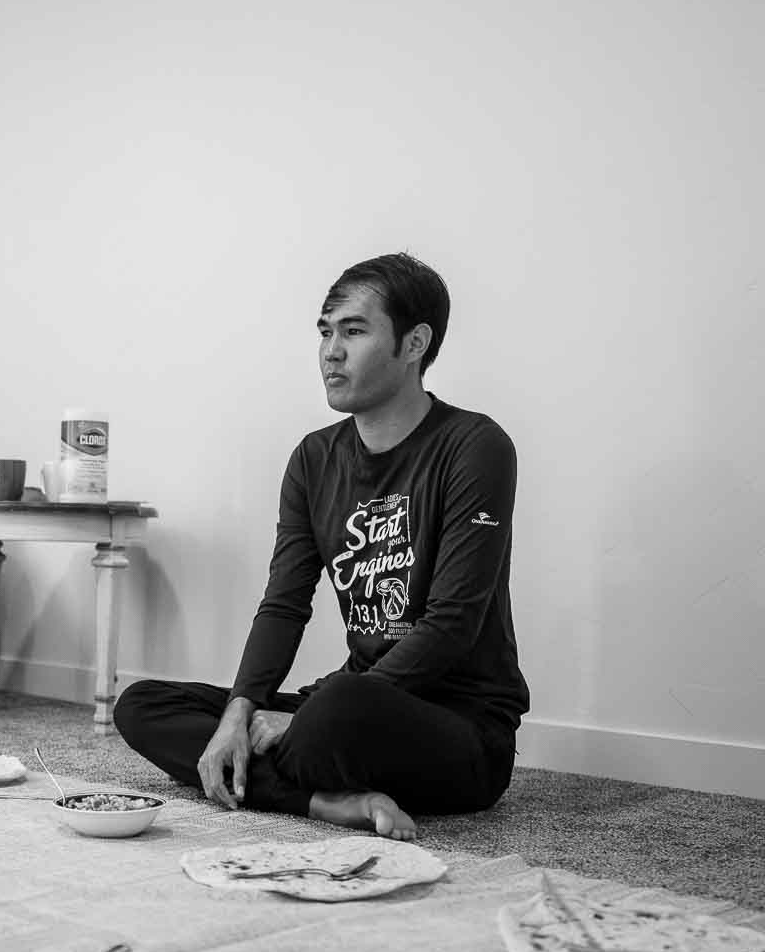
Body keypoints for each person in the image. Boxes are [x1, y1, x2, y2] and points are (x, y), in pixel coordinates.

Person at [113, 252, 527, 840]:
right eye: (325, 331)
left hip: (456, 726)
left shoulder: (474, 446)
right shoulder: (313, 458)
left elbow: (453, 625)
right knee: (144, 706)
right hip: (349, 700)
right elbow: (284, 604)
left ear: (414, 344)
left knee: (334, 710)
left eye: (354, 331)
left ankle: (288, 776)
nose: (331, 350)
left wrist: (301, 719)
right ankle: (329, 803)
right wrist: (241, 712)